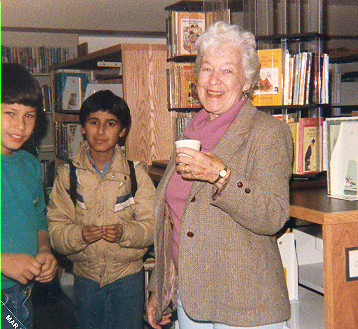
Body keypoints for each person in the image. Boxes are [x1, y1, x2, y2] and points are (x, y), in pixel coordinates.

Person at [146, 21, 293, 329]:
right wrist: (160, 289)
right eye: (207, 68)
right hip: (191, 298)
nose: (214, 81)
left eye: (227, 70)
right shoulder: (190, 130)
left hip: (246, 304)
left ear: (246, 81)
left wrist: (221, 175)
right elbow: (175, 222)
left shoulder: (267, 132)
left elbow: (273, 215)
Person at [47, 90, 155, 329]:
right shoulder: (68, 175)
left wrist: (125, 232)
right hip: (86, 277)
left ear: (123, 131)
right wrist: (79, 235)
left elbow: (152, 226)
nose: (101, 131)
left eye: (111, 124)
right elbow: (56, 231)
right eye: (94, 122)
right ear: (83, 128)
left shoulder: (136, 174)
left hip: (128, 277)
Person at [1, 63, 58, 329]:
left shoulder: (30, 164)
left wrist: (44, 251)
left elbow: (38, 218)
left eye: (29, 115)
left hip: (21, 294)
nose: (20, 125)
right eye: (10, 113)